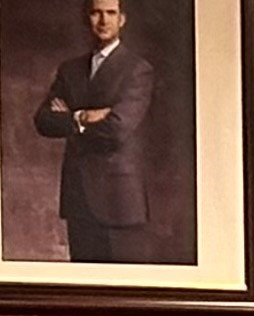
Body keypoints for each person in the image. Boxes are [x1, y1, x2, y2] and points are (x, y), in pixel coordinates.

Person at [31, 0, 153, 265]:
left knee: (120, 290)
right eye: (96, 12)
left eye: (111, 13)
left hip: (118, 199)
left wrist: (69, 117)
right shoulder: (70, 70)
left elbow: (118, 129)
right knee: (82, 289)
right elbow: (43, 120)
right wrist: (83, 117)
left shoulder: (137, 70)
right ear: (87, 18)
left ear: (122, 19)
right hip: (78, 197)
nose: (103, 20)